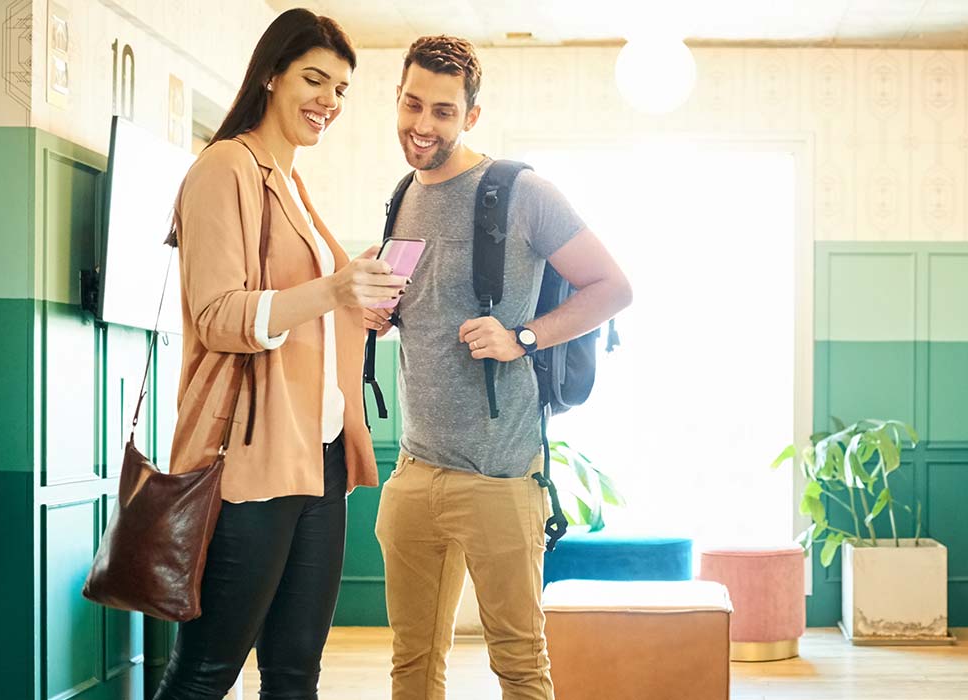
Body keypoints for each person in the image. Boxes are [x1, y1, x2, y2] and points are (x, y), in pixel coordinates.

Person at [364, 35, 633, 700]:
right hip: (415, 471)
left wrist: (525, 336)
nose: (423, 125)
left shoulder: (522, 193)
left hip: (500, 476)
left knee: (518, 663)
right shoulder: (401, 197)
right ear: (397, 99)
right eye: (412, 104)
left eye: (444, 112)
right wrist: (380, 313)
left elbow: (613, 287)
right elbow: (420, 306)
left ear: (471, 116)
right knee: (411, 662)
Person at [154, 9, 402, 698]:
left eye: (342, 89)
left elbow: (312, 314)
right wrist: (331, 288)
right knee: (205, 674)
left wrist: (360, 303)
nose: (329, 101)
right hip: (251, 458)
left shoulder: (291, 183)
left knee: (295, 674)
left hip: (318, 458)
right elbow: (217, 315)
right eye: (314, 79)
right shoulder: (226, 167)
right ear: (270, 74)